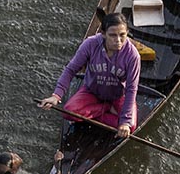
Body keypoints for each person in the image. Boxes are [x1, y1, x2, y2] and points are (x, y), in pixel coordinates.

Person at [38, 12, 141, 143]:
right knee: (68, 112)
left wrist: (125, 122)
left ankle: (93, 114)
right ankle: (106, 109)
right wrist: (56, 96)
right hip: (92, 91)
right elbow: (71, 70)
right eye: (113, 35)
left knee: (130, 128)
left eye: (122, 35)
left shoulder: (133, 56)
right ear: (103, 34)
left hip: (118, 96)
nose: (118, 40)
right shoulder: (90, 44)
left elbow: (131, 89)